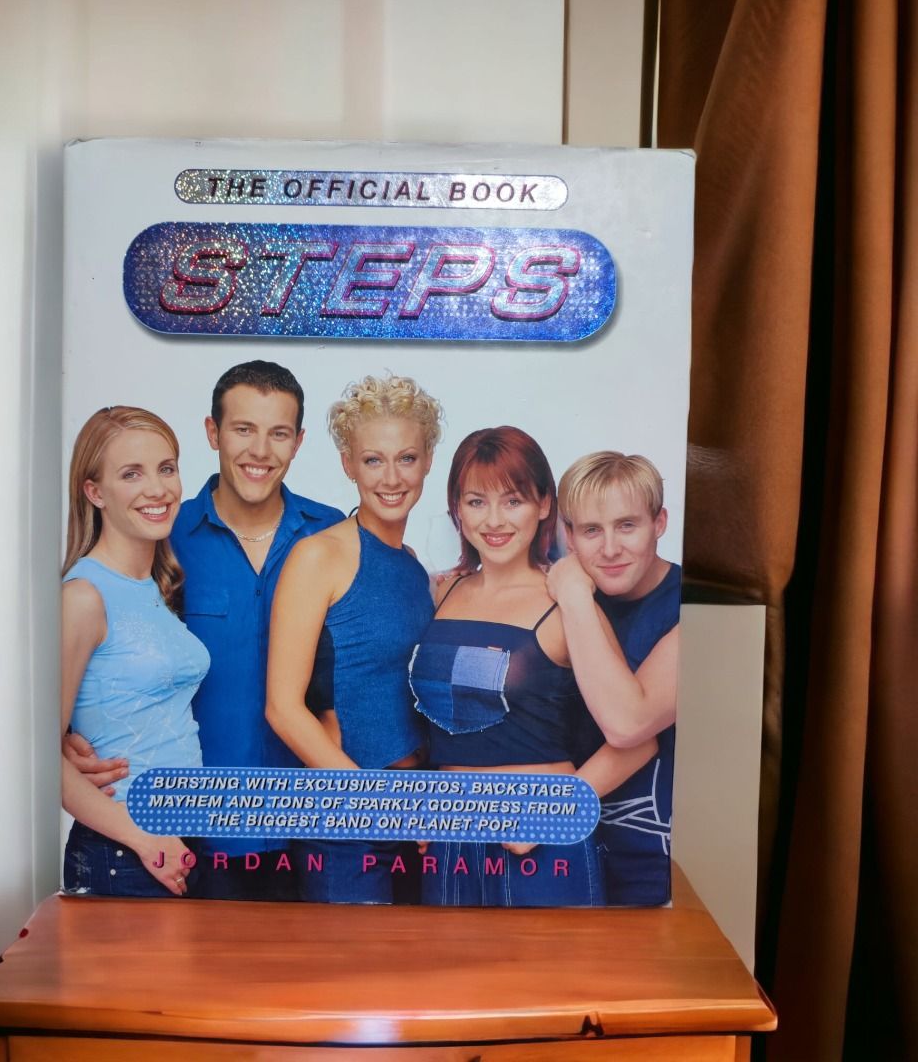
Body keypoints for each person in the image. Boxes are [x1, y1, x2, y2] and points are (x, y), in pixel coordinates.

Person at [66, 362, 343, 901]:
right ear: (213, 433)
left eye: (278, 433)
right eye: (243, 429)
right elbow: (100, 658)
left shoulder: (332, 534)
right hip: (196, 836)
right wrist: (60, 744)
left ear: (298, 441)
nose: (260, 450)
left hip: (309, 826)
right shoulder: (166, 539)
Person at [409, 427, 657, 907]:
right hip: (448, 835)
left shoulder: (567, 601)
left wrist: (552, 814)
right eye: (476, 501)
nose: (494, 520)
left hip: (541, 840)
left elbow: (637, 738)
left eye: (513, 500)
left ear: (544, 504)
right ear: (456, 508)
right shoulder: (440, 592)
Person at [265, 373, 443, 903]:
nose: (391, 477)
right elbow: (282, 708)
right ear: (348, 464)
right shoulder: (318, 556)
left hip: (415, 815)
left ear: (428, 461)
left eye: (406, 458)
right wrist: (376, 804)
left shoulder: (414, 568)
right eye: (372, 460)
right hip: (346, 821)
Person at [61, 406, 210, 897]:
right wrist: (145, 841)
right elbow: (35, 756)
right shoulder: (84, 596)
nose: (157, 489)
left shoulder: (154, 588)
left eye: (166, 468)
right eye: (132, 474)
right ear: (94, 492)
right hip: (126, 849)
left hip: (175, 840)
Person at [547, 450, 681, 905]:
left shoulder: (700, 608)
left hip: (662, 875)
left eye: (627, 526)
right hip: (566, 861)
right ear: (569, 537)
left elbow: (628, 725)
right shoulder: (553, 597)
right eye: (591, 530)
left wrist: (572, 592)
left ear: (659, 523)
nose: (609, 549)